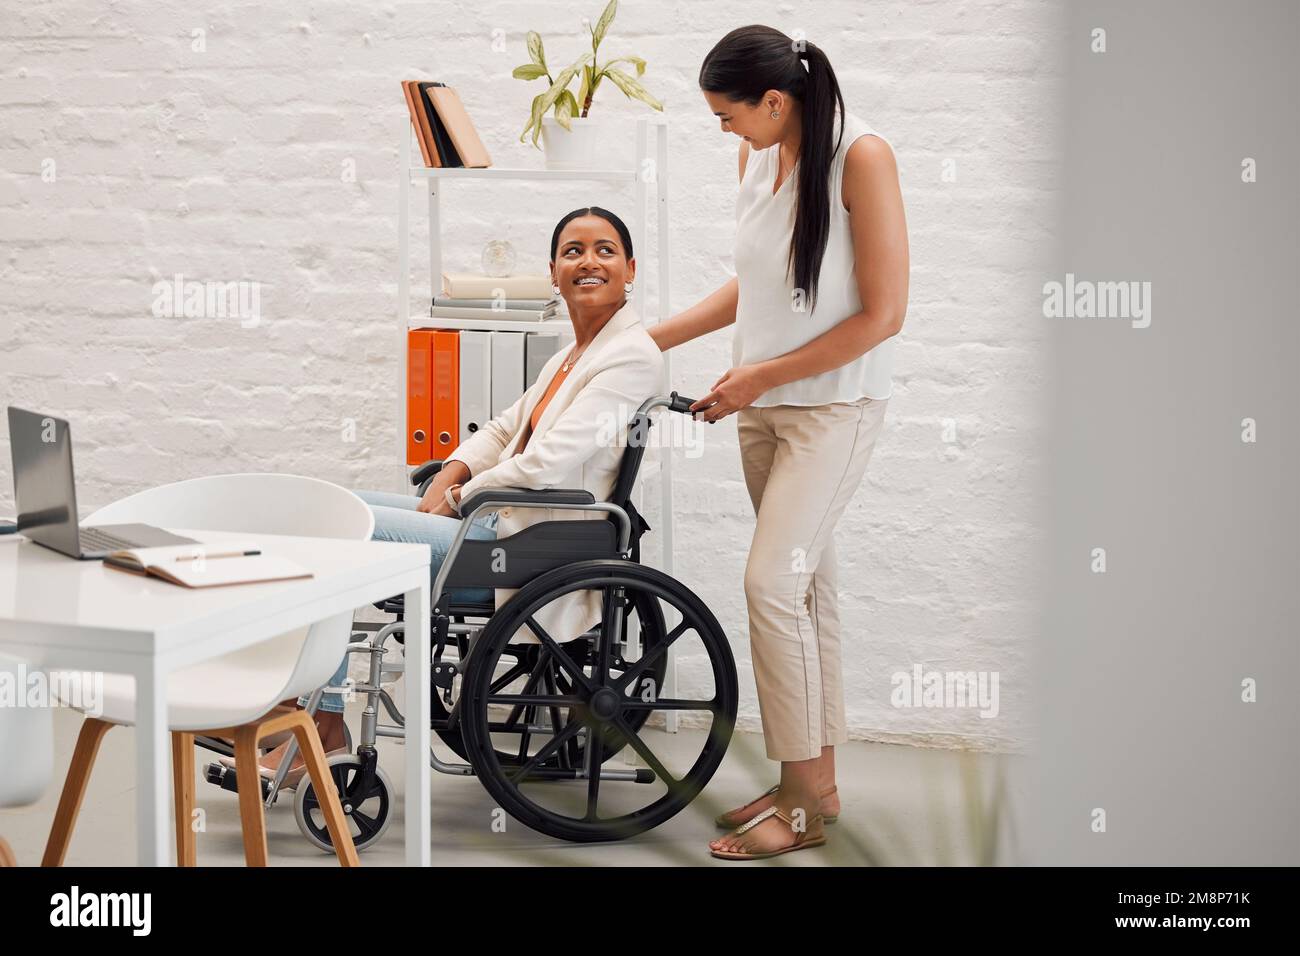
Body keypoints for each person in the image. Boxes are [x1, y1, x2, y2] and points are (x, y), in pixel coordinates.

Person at [250, 207, 666, 786]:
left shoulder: (631, 355)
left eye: (604, 250)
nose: (588, 261)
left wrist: (459, 497)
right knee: (328, 507)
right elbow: (501, 430)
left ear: (630, 270)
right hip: (501, 521)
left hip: (525, 543)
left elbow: (547, 464)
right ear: (553, 272)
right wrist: (452, 470)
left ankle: (322, 720)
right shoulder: (572, 357)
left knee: (331, 535)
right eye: (573, 251)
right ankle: (307, 708)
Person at [649, 26, 909, 860]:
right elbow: (756, 281)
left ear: (775, 100)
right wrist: (652, 338)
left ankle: (798, 802)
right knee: (805, 593)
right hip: (761, 411)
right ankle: (815, 784)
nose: (724, 130)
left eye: (730, 116)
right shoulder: (757, 159)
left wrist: (761, 376)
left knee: (770, 586)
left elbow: (884, 314)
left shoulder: (862, 158)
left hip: (832, 411)